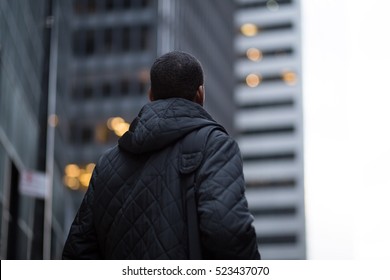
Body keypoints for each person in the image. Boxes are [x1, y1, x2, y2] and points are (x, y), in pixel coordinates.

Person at [62, 51, 260, 260]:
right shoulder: (215, 146)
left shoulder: (106, 164)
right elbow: (227, 231)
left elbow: (78, 252)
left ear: (151, 95)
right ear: (200, 94)